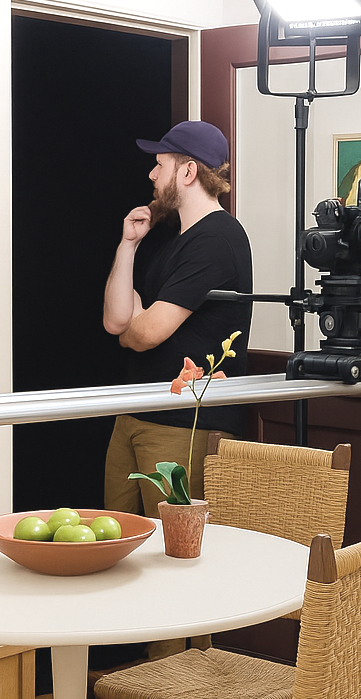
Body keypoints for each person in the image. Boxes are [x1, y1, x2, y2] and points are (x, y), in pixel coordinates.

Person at [102, 120, 253, 518]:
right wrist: (128, 244)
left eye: (160, 165)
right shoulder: (172, 240)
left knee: (173, 550)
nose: (152, 174)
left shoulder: (217, 238)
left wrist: (137, 328)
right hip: (135, 412)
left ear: (188, 171)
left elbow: (147, 332)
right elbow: (117, 322)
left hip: (183, 424)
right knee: (120, 539)